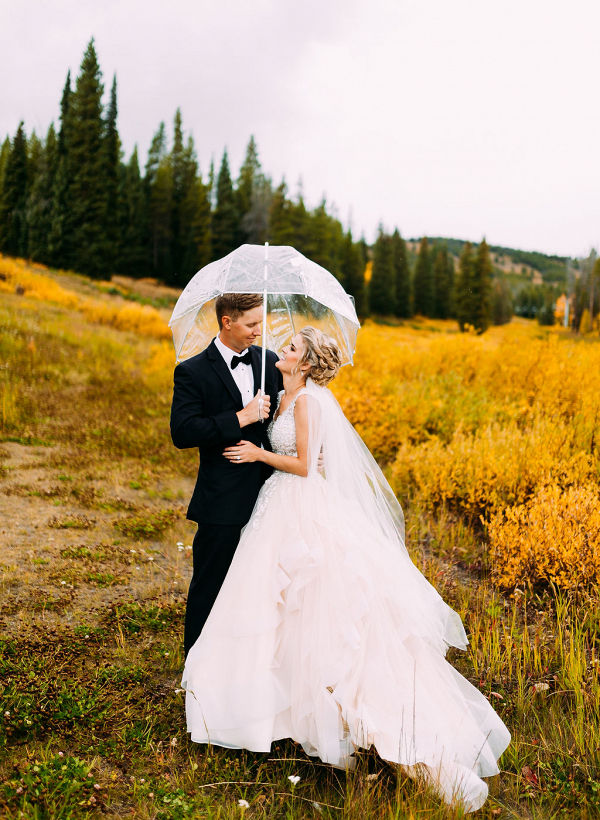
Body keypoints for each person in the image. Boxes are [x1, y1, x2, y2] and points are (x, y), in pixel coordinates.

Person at [181, 326, 510, 813]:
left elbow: (306, 466)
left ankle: (385, 735)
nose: (281, 351)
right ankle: (275, 714)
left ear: (307, 364)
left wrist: (257, 452)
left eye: (291, 348)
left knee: (312, 609)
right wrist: (255, 416)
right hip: (276, 506)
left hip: (298, 503)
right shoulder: (282, 394)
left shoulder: (311, 402)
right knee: (278, 611)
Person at [170, 293, 282, 657]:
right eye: (251, 324)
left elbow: (290, 419)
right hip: (221, 500)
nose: (258, 331)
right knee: (211, 585)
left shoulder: (270, 362)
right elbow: (183, 432)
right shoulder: (192, 370)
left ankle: (245, 663)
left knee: (263, 586)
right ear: (227, 322)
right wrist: (240, 418)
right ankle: (197, 668)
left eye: (260, 323)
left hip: (273, 497)